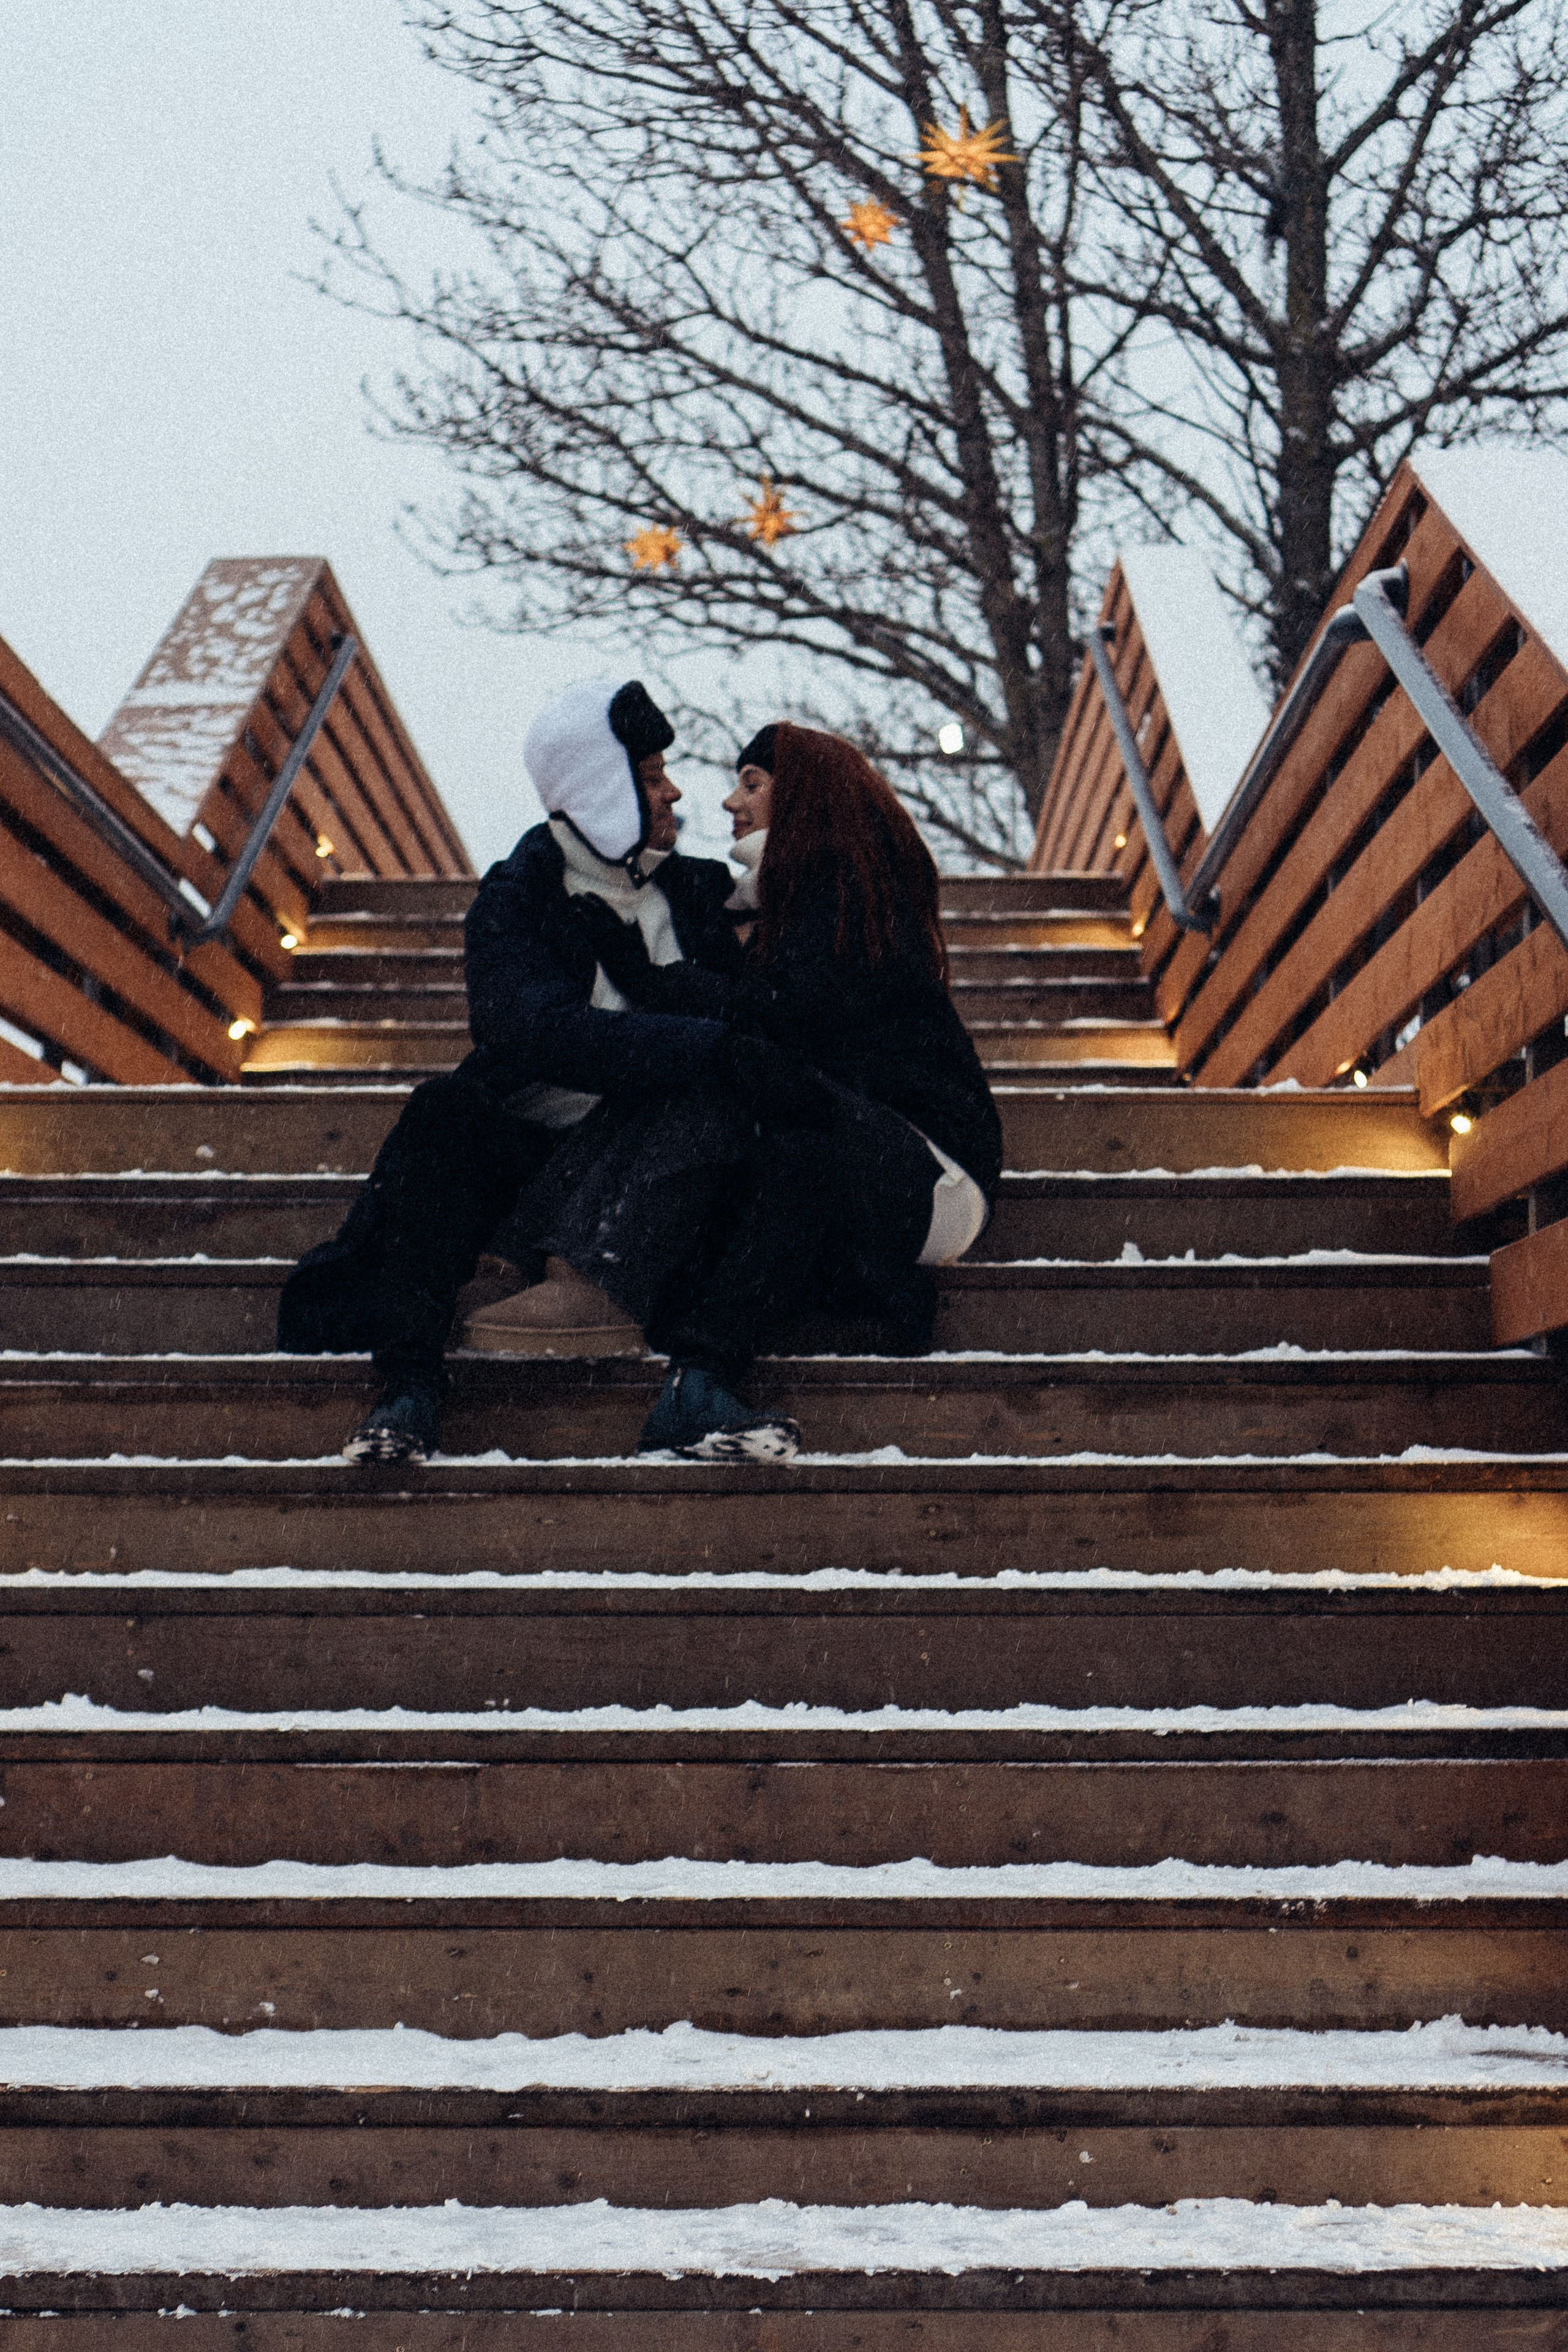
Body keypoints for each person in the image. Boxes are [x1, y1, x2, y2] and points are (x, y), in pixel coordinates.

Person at [468, 721, 1003, 1461]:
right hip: (852, 1150)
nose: (727, 801)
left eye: (752, 784)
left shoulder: (845, 889)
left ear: (807, 796)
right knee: (717, 1086)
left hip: (930, 1164)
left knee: (715, 1068)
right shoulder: (787, 900)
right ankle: (683, 1372)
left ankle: (585, 1274)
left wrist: (656, 980)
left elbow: (783, 1020)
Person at [277, 676, 753, 1463]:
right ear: (600, 790)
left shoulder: (703, 894)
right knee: (442, 1114)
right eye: (648, 776)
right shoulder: (519, 896)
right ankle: (407, 1392)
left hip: (661, 1165)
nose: (674, 793)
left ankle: (696, 1373)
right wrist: (701, 1046)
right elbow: (527, 1029)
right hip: (535, 1157)